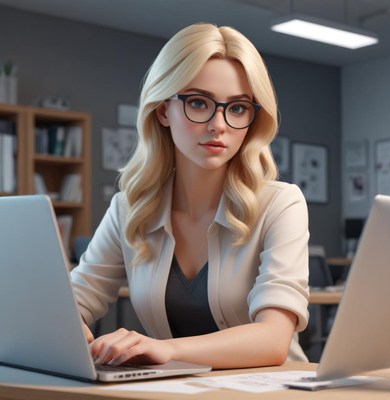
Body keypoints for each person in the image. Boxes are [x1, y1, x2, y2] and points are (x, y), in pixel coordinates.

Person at [70, 22, 310, 369]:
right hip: (177, 390)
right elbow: (69, 304)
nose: (219, 124)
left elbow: (273, 339)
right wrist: (70, 331)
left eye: (238, 108)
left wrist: (167, 349)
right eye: (199, 103)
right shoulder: (129, 208)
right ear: (163, 110)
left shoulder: (281, 204)